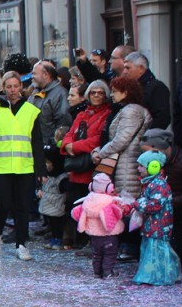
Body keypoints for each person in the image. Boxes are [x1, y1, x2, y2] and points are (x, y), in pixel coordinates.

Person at [0, 71, 46, 261]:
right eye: (9, 87)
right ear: (3, 88)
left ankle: (22, 244)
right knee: (5, 203)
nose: (13, 90)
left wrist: (41, 169)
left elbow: (37, 142)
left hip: (25, 165)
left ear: (21, 87)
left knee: (23, 206)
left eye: (16, 86)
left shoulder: (31, 111)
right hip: (0, 165)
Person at [60, 80, 113, 249]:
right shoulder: (83, 113)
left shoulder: (107, 114)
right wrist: (67, 144)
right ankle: (77, 239)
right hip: (76, 168)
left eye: (100, 92)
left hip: (91, 168)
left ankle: (89, 241)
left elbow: (98, 139)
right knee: (74, 205)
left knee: (91, 207)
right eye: (93, 92)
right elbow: (69, 133)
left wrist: (73, 147)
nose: (96, 95)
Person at [93, 76, 152, 201]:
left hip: (127, 165)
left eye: (114, 91)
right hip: (126, 162)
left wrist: (101, 153)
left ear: (125, 92)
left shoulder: (131, 111)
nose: (112, 95)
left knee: (126, 203)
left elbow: (121, 140)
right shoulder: (129, 110)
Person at [138, 128, 182, 267]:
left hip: (179, 214)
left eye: (148, 152)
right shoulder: (157, 165)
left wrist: (167, 200)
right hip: (160, 214)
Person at [132, 151, 181, 285]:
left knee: (156, 251)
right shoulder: (152, 183)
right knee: (153, 250)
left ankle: (156, 277)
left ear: (153, 166)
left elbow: (155, 205)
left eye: (141, 166)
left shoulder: (158, 185)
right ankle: (155, 275)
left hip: (158, 226)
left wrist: (136, 203)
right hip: (152, 225)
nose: (138, 169)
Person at [70, 173, 128, 279]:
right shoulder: (110, 200)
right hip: (109, 234)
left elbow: (76, 213)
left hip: (94, 234)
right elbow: (118, 214)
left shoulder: (88, 199)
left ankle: (97, 272)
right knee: (110, 254)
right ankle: (107, 272)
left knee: (97, 254)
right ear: (109, 187)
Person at [122, 52, 171, 130]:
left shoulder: (157, 87)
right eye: (124, 68)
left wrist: (145, 136)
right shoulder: (131, 87)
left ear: (141, 68)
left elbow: (162, 118)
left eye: (128, 68)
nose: (124, 72)